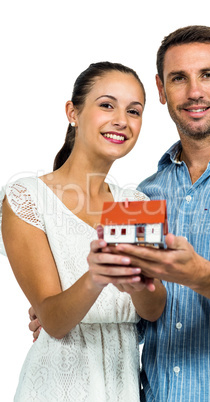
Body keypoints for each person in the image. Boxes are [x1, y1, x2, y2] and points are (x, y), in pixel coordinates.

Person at [87, 26, 210, 401]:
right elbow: (136, 312)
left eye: (207, 75)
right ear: (161, 89)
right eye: (178, 78)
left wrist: (200, 274)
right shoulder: (144, 193)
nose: (194, 92)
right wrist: (67, 313)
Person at [0, 61, 166, 401]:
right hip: (56, 384)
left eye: (134, 111)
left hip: (122, 385)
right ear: (72, 112)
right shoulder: (27, 197)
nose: (122, 119)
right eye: (107, 104)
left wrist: (139, 284)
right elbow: (53, 320)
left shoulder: (134, 202)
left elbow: (152, 309)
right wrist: (97, 274)